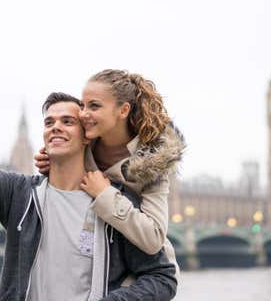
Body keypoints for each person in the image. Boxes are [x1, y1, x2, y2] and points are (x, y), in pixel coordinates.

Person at [0, 56, 177, 301]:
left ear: (87, 135)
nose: (56, 127)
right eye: (49, 122)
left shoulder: (115, 201)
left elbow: (162, 278)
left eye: (68, 121)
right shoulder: (21, 197)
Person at [35, 69, 185, 269]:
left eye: (94, 106)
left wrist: (105, 194)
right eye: (83, 105)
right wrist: (54, 164)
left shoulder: (153, 163)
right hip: (90, 262)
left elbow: (154, 238)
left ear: (123, 110)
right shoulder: (83, 144)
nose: (84, 114)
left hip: (141, 272)